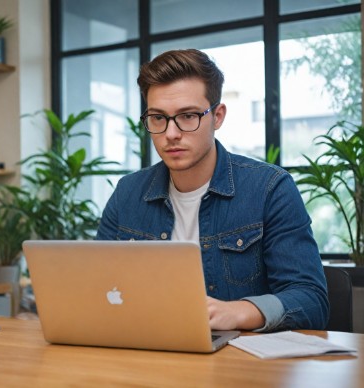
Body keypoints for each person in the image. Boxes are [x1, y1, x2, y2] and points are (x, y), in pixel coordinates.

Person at [96, 49, 328, 332]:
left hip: (239, 365)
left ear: (217, 116)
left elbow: (311, 300)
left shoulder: (269, 188)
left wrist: (240, 312)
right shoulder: (127, 194)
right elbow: (99, 290)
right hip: (148, 353)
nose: (171, 133)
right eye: (158, 118)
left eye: (188, 116)